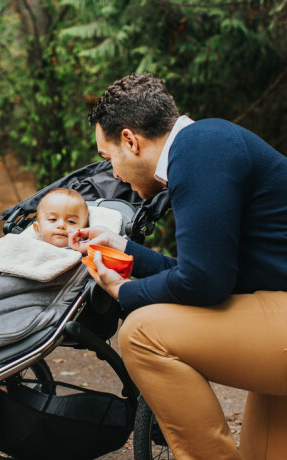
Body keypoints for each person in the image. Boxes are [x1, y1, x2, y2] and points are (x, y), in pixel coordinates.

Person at [69, 73, 287, 459]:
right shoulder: (206, 145)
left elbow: (204, 282)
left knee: (141, 333)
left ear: (130, 140)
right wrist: (125, 248)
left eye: (109, 159)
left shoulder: (199, 148)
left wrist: (124, 291)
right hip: (274, 309)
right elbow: (208, 271)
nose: (114, 174)